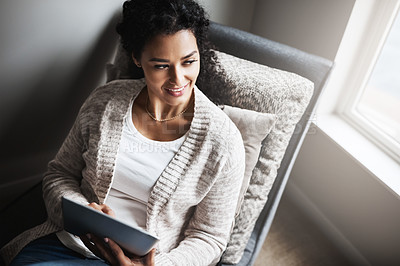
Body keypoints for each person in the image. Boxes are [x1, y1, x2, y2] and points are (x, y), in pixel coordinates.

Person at [1, 0, 245, 265]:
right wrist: (82, 211)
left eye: (188, 62)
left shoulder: (223, 142)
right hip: (68, 245)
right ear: (137, 59)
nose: (178, 78)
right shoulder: (104, 102)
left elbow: (209, 236)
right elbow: (59, 174)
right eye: (161, 65)